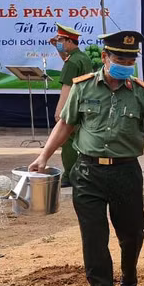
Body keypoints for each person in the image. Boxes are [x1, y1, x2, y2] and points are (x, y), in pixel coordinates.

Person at [29, 31, 144, 286]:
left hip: (125, 172)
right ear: (106, 58)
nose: (125, 63)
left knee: (132, 232)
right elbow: (65, 125)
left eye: (130, 59)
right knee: (94, 237)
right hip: (88, 172)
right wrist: (44, 156)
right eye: (120, 58)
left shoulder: (141, 92)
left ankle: (130, 272)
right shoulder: (83, 89)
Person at [49, 23, 93, 184]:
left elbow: (67, 87)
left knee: (67, 141)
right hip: (85, 105)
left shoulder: (72, 63)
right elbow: (65, 57)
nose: (57, 41)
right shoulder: (81, 57)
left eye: (60, 39)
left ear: (69, 41)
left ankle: (70, 175)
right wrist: (58, 48)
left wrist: (60, 110)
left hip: (74, 106)